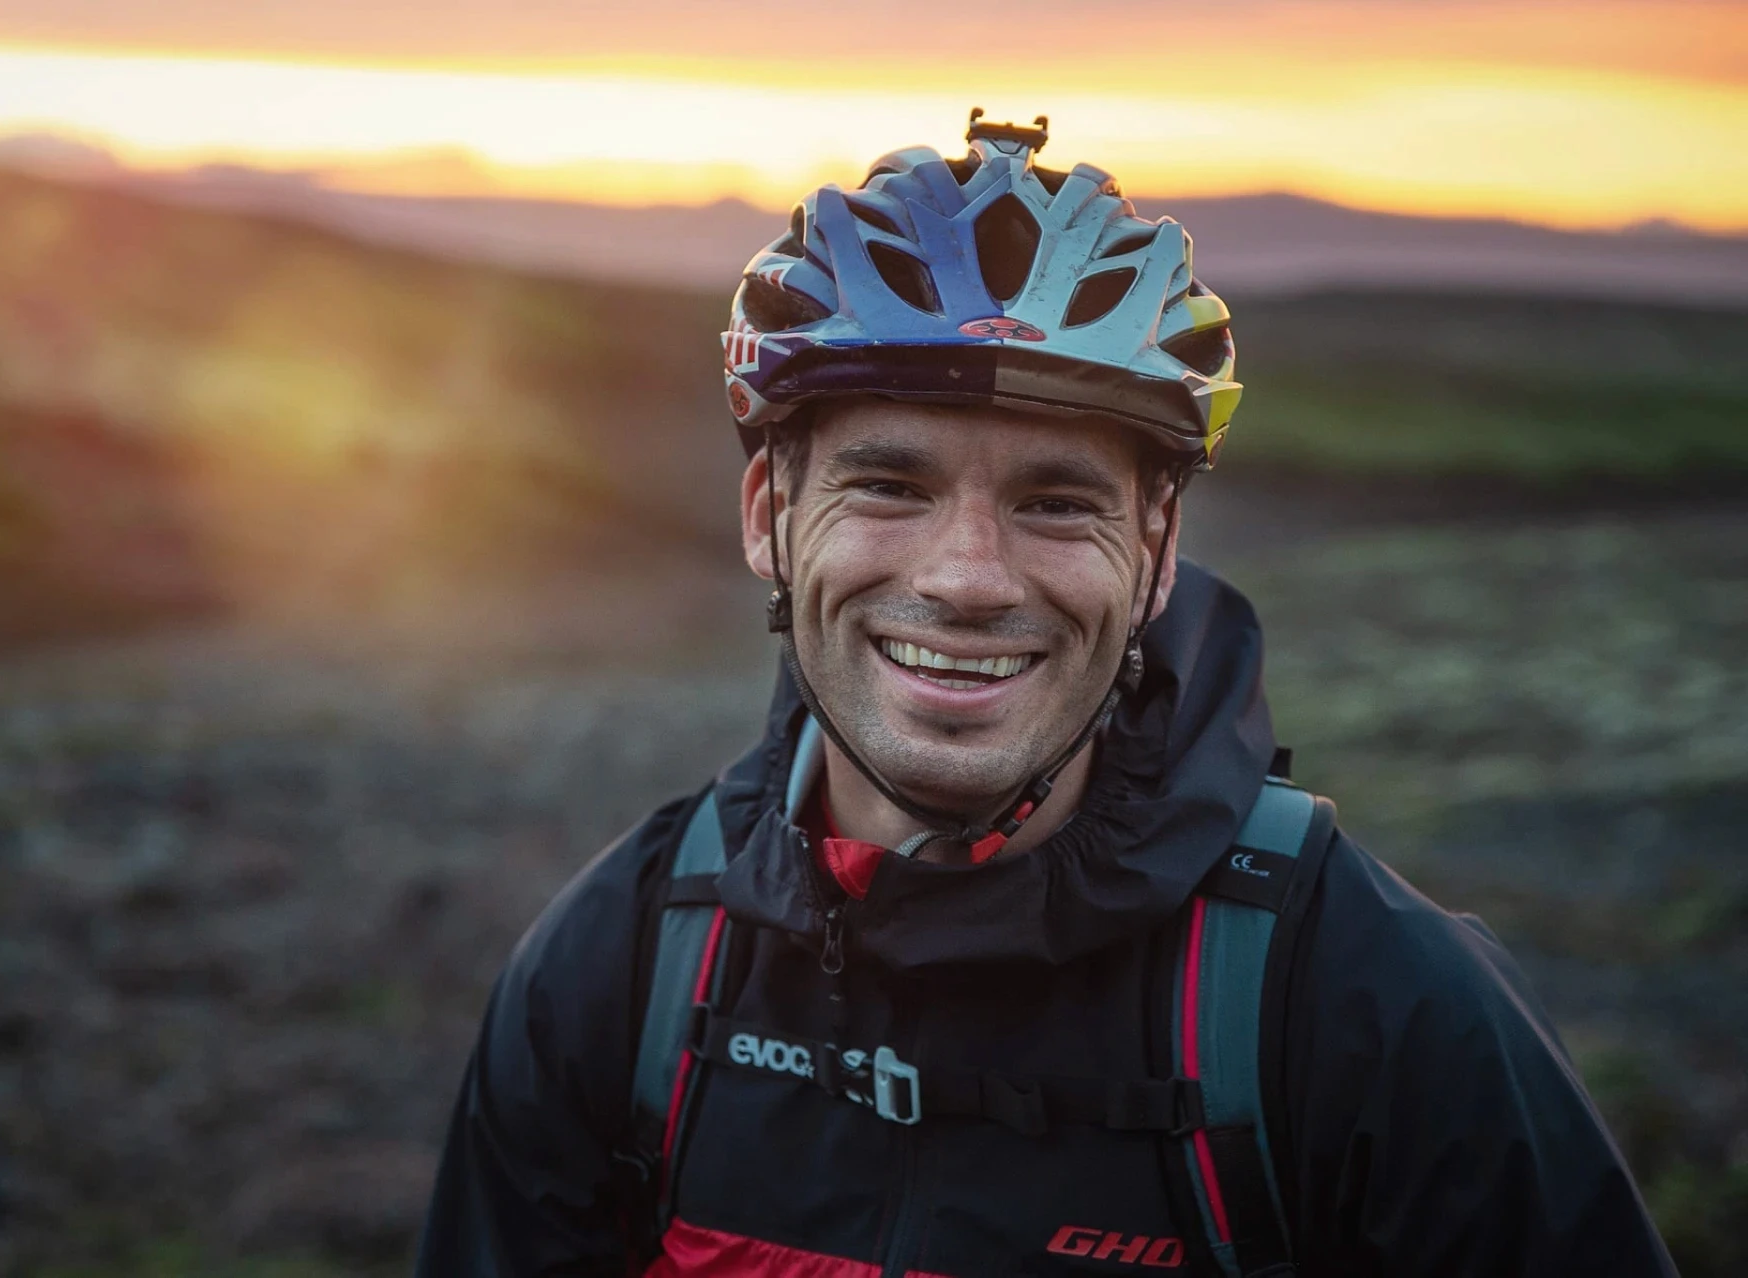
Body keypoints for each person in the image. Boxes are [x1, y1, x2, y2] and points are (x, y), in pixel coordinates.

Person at [415, 112, 1675, 1277]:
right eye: (890, 485)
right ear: (770, 516)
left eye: (1057, 501)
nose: (968, 578)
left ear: (1160, 549)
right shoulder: (626, 965)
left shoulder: (1371, 1008)